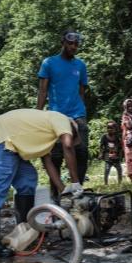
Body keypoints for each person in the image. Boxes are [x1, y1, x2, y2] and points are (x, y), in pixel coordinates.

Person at [0, 109, 83, 257]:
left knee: (28, 179)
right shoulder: (63, 120)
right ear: (72, 129)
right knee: (0, 183)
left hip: (12, 142)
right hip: (1, 137)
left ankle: (26, 231)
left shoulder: (48, 134)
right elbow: (68, 145)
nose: (67, 139)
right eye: (72, 136)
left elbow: (48, 163)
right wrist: (75, 182)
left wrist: (63, 189)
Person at [37, 30, 89, 200]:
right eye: (70, 43)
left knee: (81, 151)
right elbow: (43, 90)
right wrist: (38, 114)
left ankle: (77, 190)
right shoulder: (49, 63)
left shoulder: (80, 66)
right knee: (56, 156)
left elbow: (81, 91)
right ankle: (57, 195)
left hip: (77, 115)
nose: (73, 47)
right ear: (63, 43)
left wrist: (80, 110)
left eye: (76, 44)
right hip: (56, 116)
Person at [99, 120, 123, 185]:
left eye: (111, 128)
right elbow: (101, 146)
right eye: (108, 128)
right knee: (106, 170)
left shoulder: (117, 137)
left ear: (115, 129)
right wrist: (101, 154)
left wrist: (119, 156)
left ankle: (120, 183)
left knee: (119, 170)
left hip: (116, 157)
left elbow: (120, 148)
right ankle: (106, 183)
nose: (109, 129)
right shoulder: (104, 137)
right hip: (108, 157)